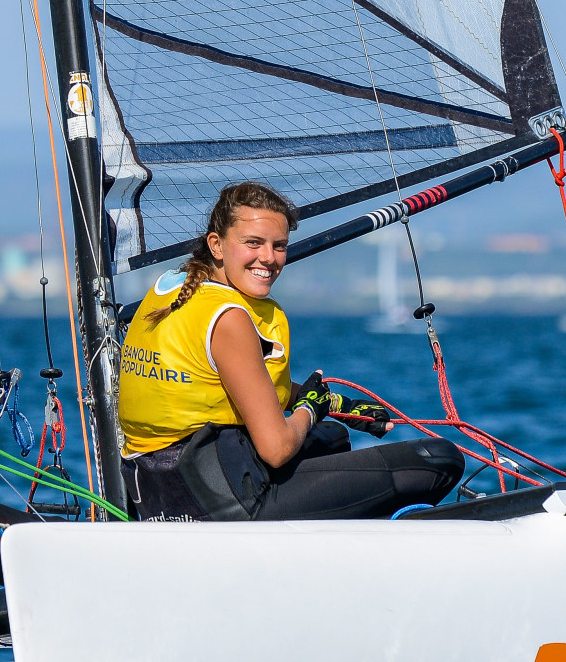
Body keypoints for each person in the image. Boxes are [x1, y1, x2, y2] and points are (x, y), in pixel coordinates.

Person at [117, 181, 465, 521]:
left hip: (159, 491)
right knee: (437, 460)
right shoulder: (230, 318)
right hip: (225, 502)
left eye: (279, 245)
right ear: (217, 244)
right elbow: (277, 448)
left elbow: (224, 386)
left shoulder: (173, 290)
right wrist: (309, 411)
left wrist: (333, 404)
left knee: (332, 438)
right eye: (253, 243)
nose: (268, 258)